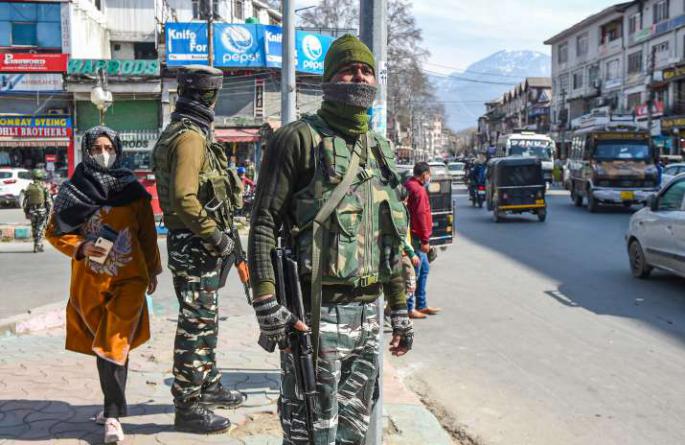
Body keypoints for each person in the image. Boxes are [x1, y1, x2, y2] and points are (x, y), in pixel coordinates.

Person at [248, 34, 414, 444]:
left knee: (353, 434)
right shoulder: (297, 139)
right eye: (348, 69)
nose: (359, 77)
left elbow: (390, 238)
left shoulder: (380, 149)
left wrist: (399, 310)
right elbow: (263, 222)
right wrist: (266, 300)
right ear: (328, 80)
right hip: (315, 315)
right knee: (310, 434)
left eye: (366, 70)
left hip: (368, 317)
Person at [46, 126, 161, 444]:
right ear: (86, 151)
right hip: (90, 283)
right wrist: (81, 246)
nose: (103, 153)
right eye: (96, 148)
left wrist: (153, 270)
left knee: (114, 340)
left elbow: (147, 235)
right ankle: (110, 405)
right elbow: (54, 232)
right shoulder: (73, 190)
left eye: (109, 147)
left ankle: (112, 416)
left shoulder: (132, 190)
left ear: (118, 150)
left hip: (130, 278)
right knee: (109, 347)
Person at [152, 65, 245, 434]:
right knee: (195, 323)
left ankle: (207, 384)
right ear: (211, 96)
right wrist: (216, 237)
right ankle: (188, 405)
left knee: (206, 318)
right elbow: (184, 198)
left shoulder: (183, 130)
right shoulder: (190, 138)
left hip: (194, 242)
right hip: (196, 243)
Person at [404, 162, 441, 319]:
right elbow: (420, 216)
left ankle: (421, 304)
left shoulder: (411, 185)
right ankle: (409, 308)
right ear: (424, 174)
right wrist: (425, 240)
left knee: (424, 269)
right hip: (417, 237)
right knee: (415, 272)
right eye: (429, 174)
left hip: (416, 236)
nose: (429, 177)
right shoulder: (418, 190)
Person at [23, 168, 52, 252]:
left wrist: (26, 212)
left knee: (34, 228)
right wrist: (50, 212)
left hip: (32, 212)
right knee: (40, 228)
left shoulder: (29, 187)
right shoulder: (44, 187)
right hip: (42, 212)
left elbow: (25, 202)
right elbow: (48, 201)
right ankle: (38, 245)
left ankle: (37, 244)